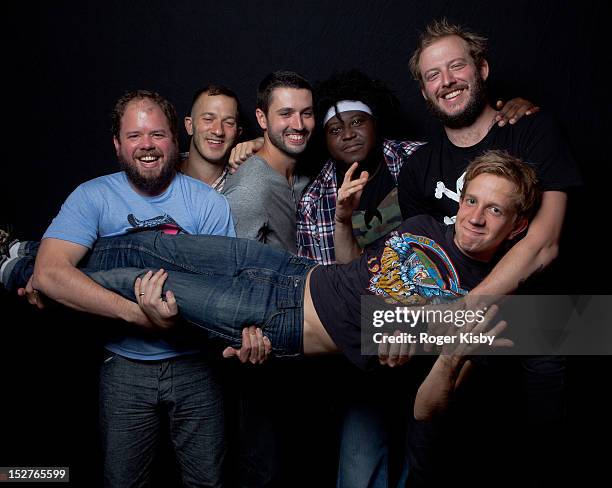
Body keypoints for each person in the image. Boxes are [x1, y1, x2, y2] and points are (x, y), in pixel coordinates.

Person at [2, 149, 539, 422]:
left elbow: (425, 404)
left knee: (140, 283)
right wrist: (343, 223)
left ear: (516, 227)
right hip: (292, 269)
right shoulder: (426, 227)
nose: (475, 217)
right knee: (153, 245)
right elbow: (361, 272)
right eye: (472, 200)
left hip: (281, 317)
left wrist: (415, 349)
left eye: (495, 211)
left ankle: (24, 271)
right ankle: (36, 251)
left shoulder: (481, 310)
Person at [2, 90, 266, 488]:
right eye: (134, 136)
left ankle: (12, 257)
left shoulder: (206, 203)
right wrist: (136, 314)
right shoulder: (93, 196)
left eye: (158, 134)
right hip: (124, 368)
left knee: (209, 481)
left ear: (175, 139)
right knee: (123, 481)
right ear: (117, 145)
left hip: (196, 367)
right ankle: (14, 260)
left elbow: (224, 290)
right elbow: (52, 274)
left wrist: (247, 332)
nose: (147, 145)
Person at [392, 18, 582, 485]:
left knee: (533, 457)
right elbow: (417, 258)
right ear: (423, 91)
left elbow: (544, 243)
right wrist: (399, 317)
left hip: (532, 328)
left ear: (482, 69)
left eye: (456, 66)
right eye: (433, 75)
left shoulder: (531, 130)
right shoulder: (417, 169)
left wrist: (467, 309)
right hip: (450, 336)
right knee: (436, 456)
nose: (447, 81)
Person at [222, 70, 313, 253]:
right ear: (262, 119)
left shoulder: (306, 171)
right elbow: (239, 268)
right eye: (286, 114)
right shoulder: (249, 188)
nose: (299, 125)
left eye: (306, 113)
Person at [179, 84, 243, 191]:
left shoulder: (244, 184)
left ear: (238, 133)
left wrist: (260, 145)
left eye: (229, 122)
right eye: (208, 119)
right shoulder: (162, 170)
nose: (218, 131)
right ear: (190, 126)